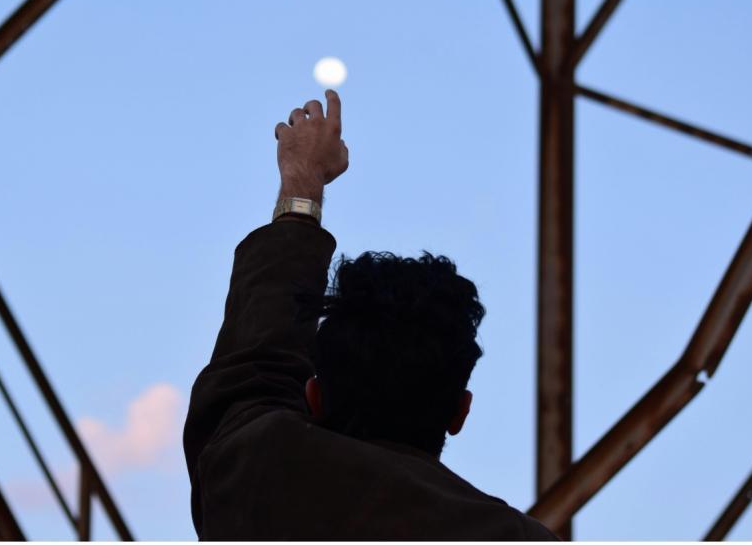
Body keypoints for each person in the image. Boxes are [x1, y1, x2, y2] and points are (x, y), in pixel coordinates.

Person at [183, 90, 558, 540]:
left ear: (315, 395)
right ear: (460, 413)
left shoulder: (260, 475)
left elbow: (251, 373)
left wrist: (302, 186)